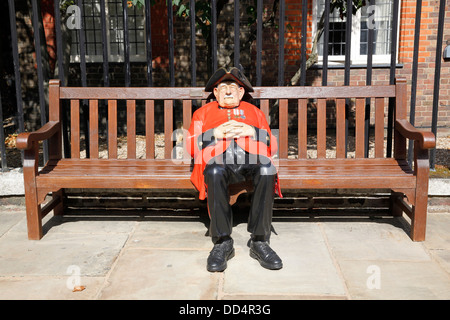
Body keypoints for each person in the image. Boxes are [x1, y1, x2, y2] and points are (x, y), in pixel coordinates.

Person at [186, 67, 283, 272]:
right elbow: (189, 145)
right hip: (218, 159)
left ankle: (259, 241)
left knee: (267, 170)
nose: (229, 92)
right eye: (223, 88)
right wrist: (213, 133)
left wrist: (253, 131)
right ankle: (222, 242)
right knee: (213, 172)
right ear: (215, 93)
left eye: (233, 88)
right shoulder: (202, 113)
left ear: (241, 93)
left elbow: (273, 144)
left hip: (252, 158)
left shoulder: (254, 112)